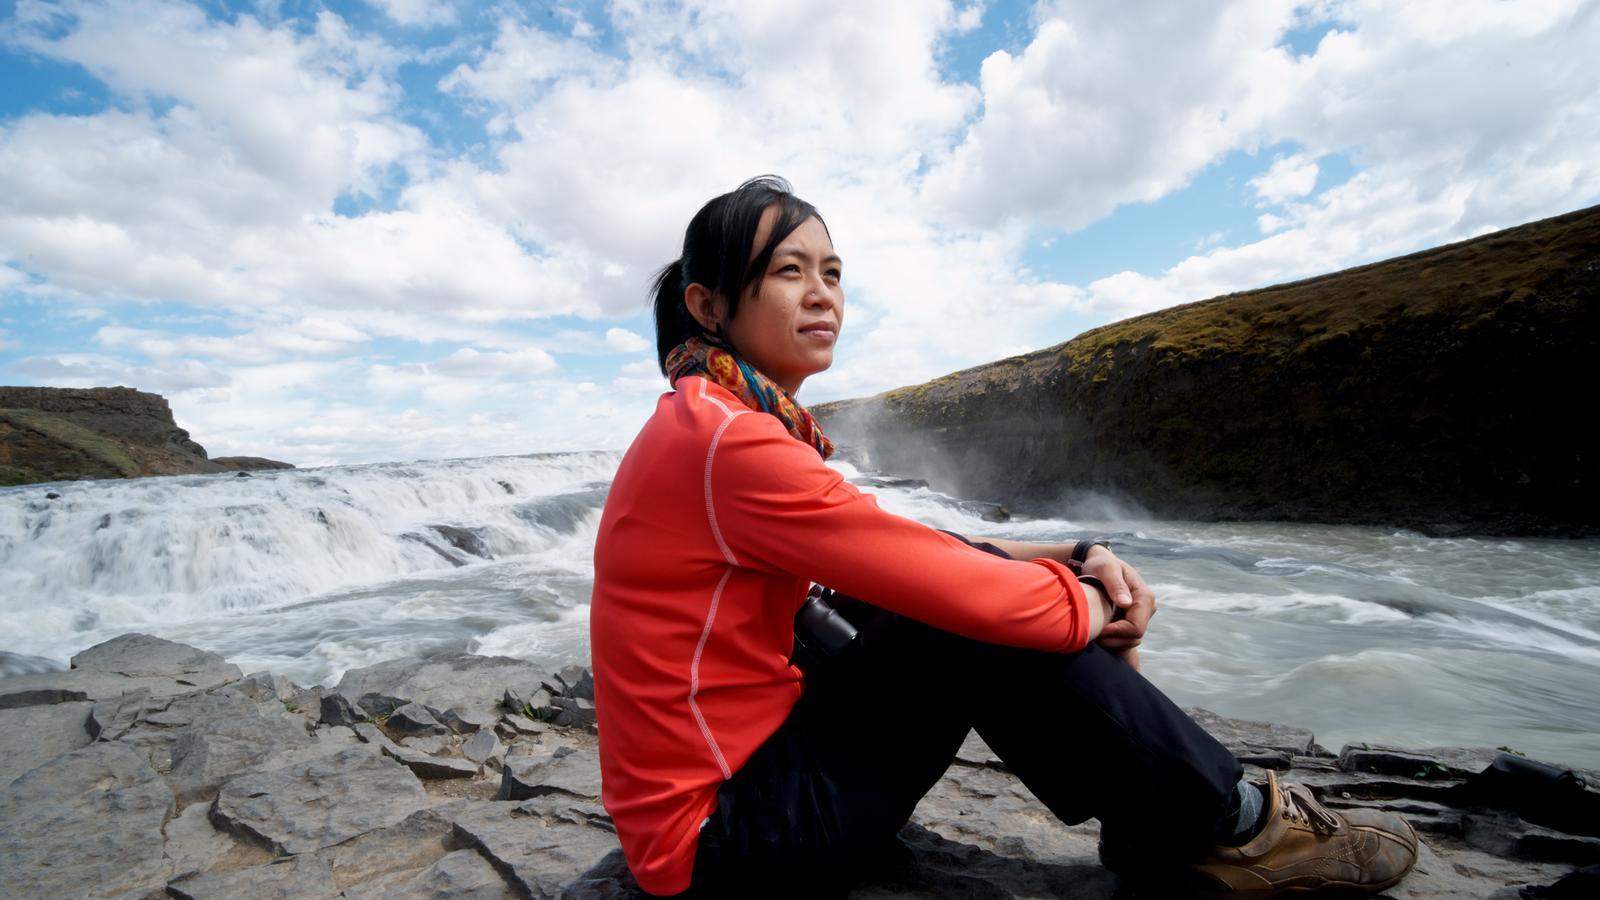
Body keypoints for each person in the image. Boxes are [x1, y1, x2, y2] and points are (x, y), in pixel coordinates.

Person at [589, 176, 1419, 898]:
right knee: (969, 616)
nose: (823, 296)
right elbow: (965, 597)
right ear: (708, 304)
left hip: (738, 793)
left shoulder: (711, 422)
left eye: (833, 274)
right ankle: (1231, 826)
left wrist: (1069, 559)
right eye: (788, 272)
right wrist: (1098, 604)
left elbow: (895, 553)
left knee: (958, 590)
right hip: (722, 845)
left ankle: (1157, 818)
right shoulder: (728, 441)